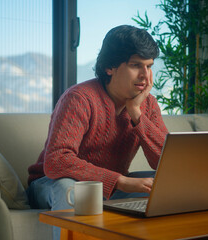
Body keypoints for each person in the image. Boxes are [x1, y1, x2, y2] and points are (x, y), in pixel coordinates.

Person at [27, 25, 168, 239]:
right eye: (135, 65)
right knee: (71, 188)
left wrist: (137, 115)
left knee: (167, 183)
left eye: (149, 66)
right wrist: (120, 181)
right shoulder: (79, 98)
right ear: (109, 67)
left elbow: (164, 162)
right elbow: (57, 161)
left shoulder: (147, 105)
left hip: (108, 186)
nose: (145, 76)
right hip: (52, 182)